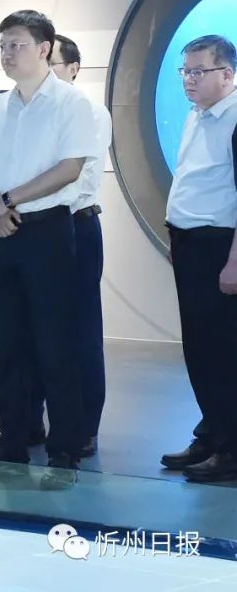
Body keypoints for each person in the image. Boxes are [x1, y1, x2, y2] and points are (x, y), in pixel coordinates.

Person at [0, 10, 94, 490]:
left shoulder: (70, 103)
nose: (7, 54)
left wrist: (8, 200)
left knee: (56, 345)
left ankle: (64, 454)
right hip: (0, 231)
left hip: (47, 231)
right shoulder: (0, 106)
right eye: (2, 46)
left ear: (44, 48)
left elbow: (70, 168)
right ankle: (10, 446)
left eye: (15, 44)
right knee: (8, 344)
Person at [17, 34, 110, 456]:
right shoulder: (22, 108)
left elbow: (75, 176)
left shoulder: (87, 110)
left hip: (74, 224)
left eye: (52, 62)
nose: (43, 70)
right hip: (32, 227)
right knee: (33, 328)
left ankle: (83, 426)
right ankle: (31, 419)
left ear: (73, 69)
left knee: (80, 332)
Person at [161, 34, 237, 483]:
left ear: (227, 73)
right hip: (191, 243)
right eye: (185, 71)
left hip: (220, 247)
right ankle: (210, 434)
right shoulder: (197, 115)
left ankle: (230, 449)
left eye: (198, 71)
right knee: (199, 349)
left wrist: (234, 261)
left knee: (223, 352)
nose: (188, 80)